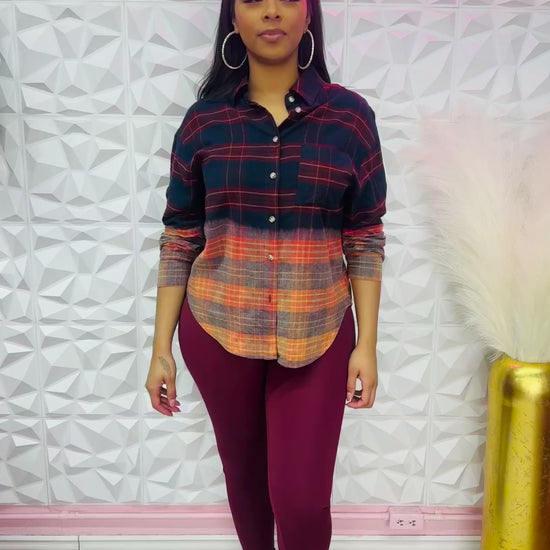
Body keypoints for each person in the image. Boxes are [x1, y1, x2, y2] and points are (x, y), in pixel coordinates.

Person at [145, 0, 387, 548]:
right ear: (233, 18)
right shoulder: (204, 122)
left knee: (300, 501)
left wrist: (367, 345)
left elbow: (365, 234)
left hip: (318, 331)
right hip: (218, 328)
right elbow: (180, 235)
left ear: (309, 14)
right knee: (247, 484)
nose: (272, 12)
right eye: (254, 0)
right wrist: (160, 348)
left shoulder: (349, 119)